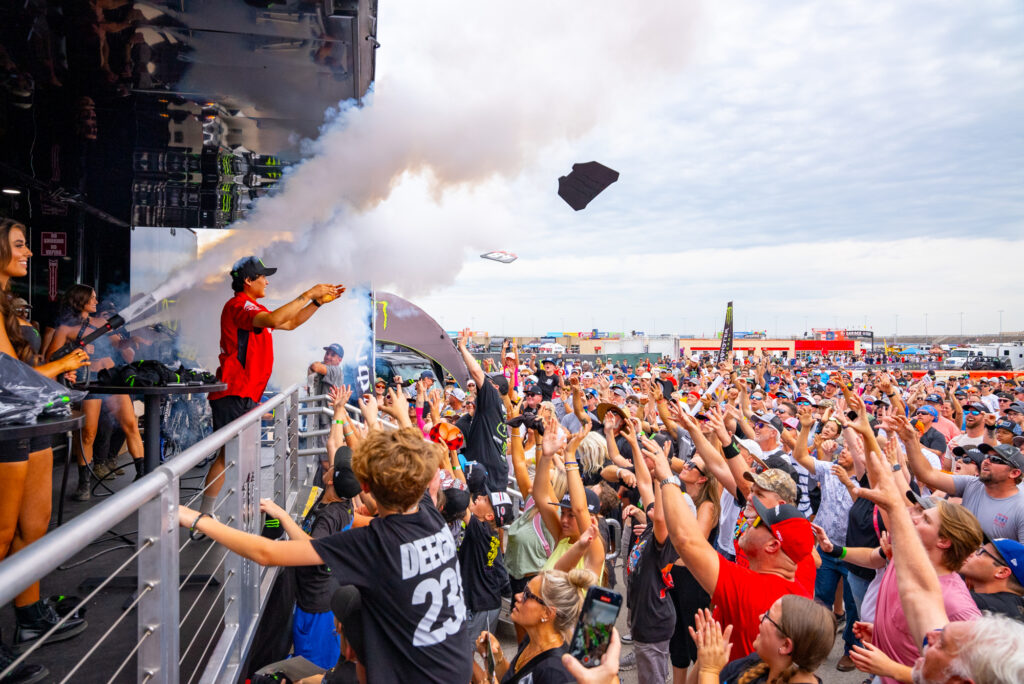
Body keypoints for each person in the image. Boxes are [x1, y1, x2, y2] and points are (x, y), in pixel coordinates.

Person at [178, 427, 471, 684]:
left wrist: (197, 519)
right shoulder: (433, 517)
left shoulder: (375, 543)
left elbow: (266, 552)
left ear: (365, 486)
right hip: (454, 665)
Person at [838, 406, 1024, 684]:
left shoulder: (960, 606)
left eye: (923, 518)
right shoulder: (970, 487)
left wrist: (892, 668)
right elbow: (904, 497)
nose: (931, 634)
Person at [0, 219, 91, 681]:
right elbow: (5, 379)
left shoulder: (6, 307)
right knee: (1, 535)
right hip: (6, 434)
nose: (29, 253)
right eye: (19, 245)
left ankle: (29, 614)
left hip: (29, 427)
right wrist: (61, 365)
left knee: (32, 527)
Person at [201, 256, 344, 516]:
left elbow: (289, 323)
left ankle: (217, 511)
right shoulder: (239, 305)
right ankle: (214, 513)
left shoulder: (254, 309)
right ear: (248, 280)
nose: (267, 281)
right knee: (231, 457)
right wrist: (308, 293)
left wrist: (316, 303)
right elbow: (278, 320)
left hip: (244, 394)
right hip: (234, 393)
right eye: (263, 276)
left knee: (233, 456)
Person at [46, 283, 148, 497]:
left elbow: (118, 346)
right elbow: (51, 359)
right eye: (92, 298)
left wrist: (131, 341)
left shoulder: (103, 323)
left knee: (130, 424)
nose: (96, 301)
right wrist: (77, 350)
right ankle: (84, 484)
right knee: (89, 433)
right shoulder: (66, 329)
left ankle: (142, 476)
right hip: (89, 381)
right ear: (80, 300)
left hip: (111, 380)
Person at [898, 411, 1024, 543]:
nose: (987, 461)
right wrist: (910, 441)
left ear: (1014, 473)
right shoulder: (972, 483)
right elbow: (926, 474)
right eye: (986, 457)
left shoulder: (1020, 507)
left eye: (995, 460)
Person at [475, 568, 596, 684]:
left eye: (527, 594)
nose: (518, 595)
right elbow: (514, 679)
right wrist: (496, 657)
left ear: (547, 613)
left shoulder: (555, 672)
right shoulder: (532, 639)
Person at [690, 598, 836, 684]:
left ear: (785, 645)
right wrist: (705, 654)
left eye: (767, 616)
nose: (760, 617)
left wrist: (710, 670)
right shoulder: (755, 663)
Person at [958, 538, 1024, 621]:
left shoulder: (982, 604)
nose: (971, 554)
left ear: (1002, 572)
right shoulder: (1014, 605)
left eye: (980, 552)